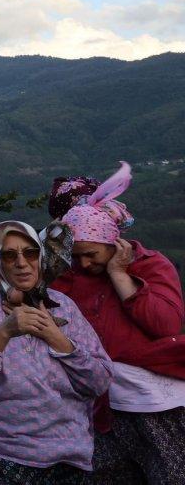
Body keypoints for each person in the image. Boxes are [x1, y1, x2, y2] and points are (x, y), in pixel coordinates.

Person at [0, 220, 112, 484]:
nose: (22, 263)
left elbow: (99, 381)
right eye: (10, 255)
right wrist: (5, 330)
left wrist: (55, 337)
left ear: (41, 255)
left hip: (63, 448)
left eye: (30, 253)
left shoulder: (63, 306)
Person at [49, 162, 185, 483]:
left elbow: (165, 325)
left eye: (91, 254)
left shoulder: (151, 265)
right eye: (76, 255)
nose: (84, 263)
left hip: (157, 402)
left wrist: (120, 276)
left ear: (112, 241)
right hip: (101, 407)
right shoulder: (69, 279)